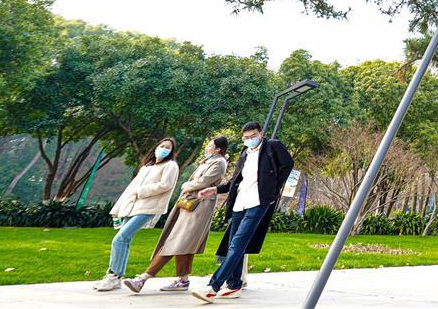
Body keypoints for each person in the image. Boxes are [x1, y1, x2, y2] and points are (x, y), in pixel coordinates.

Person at [191, 121, 292, 303]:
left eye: (253, 136)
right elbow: (236, 181)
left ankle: (213, 287)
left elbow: (288, 164)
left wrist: (273, 190)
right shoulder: (245, 153)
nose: (250, 140)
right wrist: (215, 190)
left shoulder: (272, 146)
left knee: (237, 245)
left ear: (261, 134)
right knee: (234, 245)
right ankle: (234, 285)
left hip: (258, 203)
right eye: (246, 137)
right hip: (240, 203)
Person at [122, 136, 229, 294]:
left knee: (176, 241)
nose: (207, 147)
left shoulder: (219, 162)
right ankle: (183, 280)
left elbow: (204, 182)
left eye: (209, 145)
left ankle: (143, 279)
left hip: (200, 206)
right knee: (184, 243)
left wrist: (186, 185)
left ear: (218, 149)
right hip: (190, 203)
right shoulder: (207, 161)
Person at [94, 137, 179, 291]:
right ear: (156, 147)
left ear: (171, 152)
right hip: (132, 206)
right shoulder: (147, 167)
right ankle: (116, 278)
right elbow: (130, 189)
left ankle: (113, 275)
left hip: (149, 207)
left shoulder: (171, 166)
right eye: (162, 146)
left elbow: (166, 185)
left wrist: (142, 191)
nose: (163, 149)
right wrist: (117, 208)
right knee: (124, 240)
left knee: (119, 239)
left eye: (168, 147)